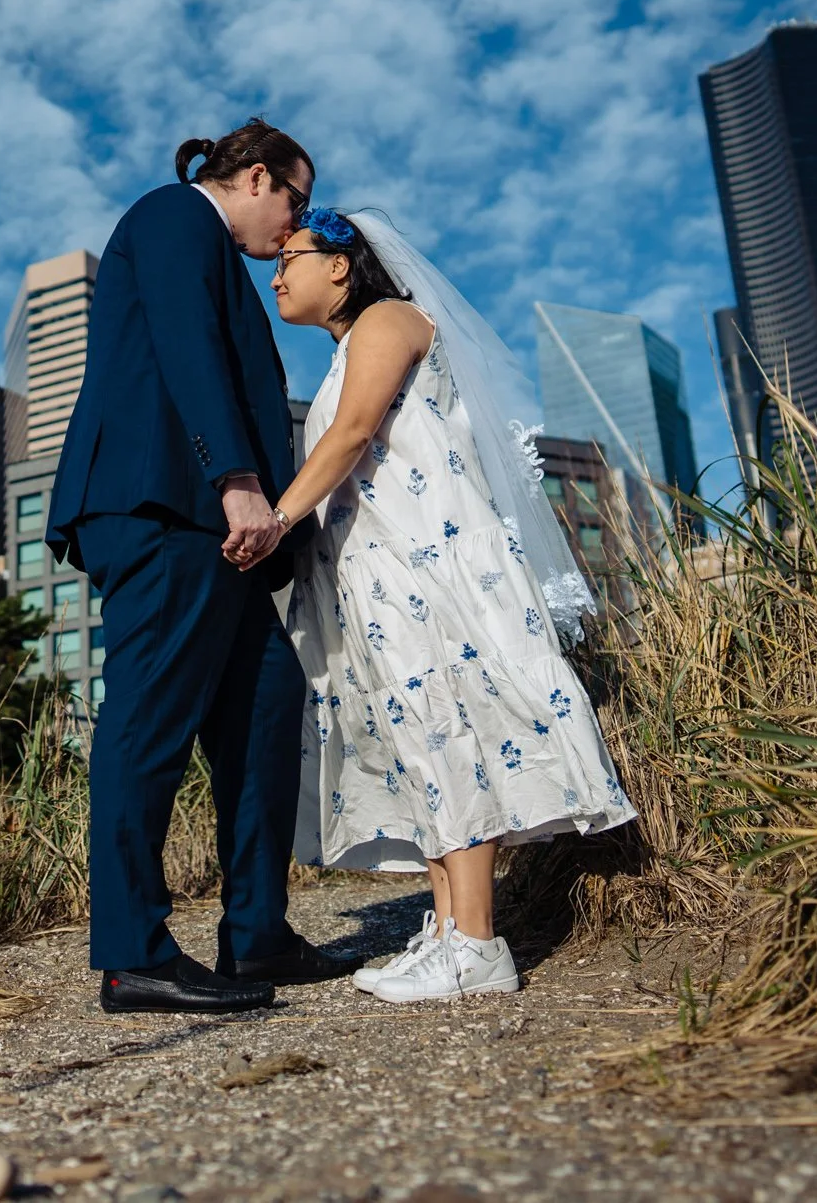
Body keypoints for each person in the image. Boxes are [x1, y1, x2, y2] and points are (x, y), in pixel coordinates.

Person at [269, 206, 635, 1004]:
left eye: (289, 257)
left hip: (422, 565)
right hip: (381, 574)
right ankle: (447, 928)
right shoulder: (346, 348)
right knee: (419, 736)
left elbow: (354, 432)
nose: (276, 276)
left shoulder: (387, 318)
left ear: (340, 263)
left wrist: (276, 518)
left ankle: (476, 941)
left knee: (445, 722)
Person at [47, 119, 365, 1014]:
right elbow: (186, 344)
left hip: (208, 524)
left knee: (267, 698)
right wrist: (236, 478)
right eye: (297, 199)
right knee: (149, 716)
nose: (298, 222)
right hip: (164, 506)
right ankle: (133, 954)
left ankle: (255, 934)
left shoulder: (206, 244)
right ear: (256, 177)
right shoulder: (173, 215)